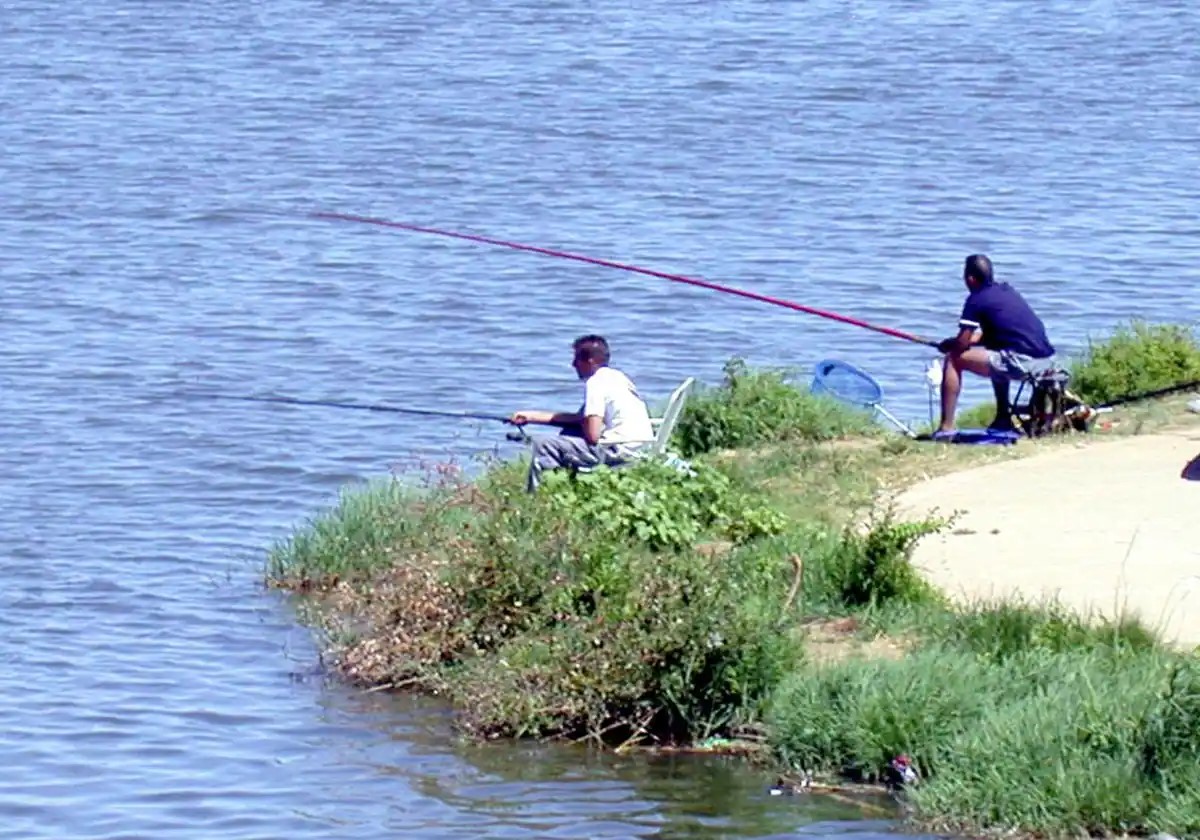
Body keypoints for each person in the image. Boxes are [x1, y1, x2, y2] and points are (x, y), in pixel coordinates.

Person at [510, 334, 655, 492]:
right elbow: (581, 419)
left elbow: (592, 436)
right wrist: (530, 417)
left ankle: (536, 497)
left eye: (576, 359)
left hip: (618, 451)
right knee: (570, 432)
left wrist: (582, 427)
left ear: (590, 361)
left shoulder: (595, 383)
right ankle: (564, 490)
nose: (573, 364)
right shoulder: (617, 377)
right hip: (641, 446)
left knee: (544, 445)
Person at [934, 254, 1056, 438]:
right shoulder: (1007, 291)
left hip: (1023, 363)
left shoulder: (976, 299)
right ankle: (1002, 417)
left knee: (953, 359)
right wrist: (968, 341)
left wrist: (950, 345)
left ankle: (946, 427)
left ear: (970, 279)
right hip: (1047, 360)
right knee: (996, 353)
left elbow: (961, 344)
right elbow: (996, 334)